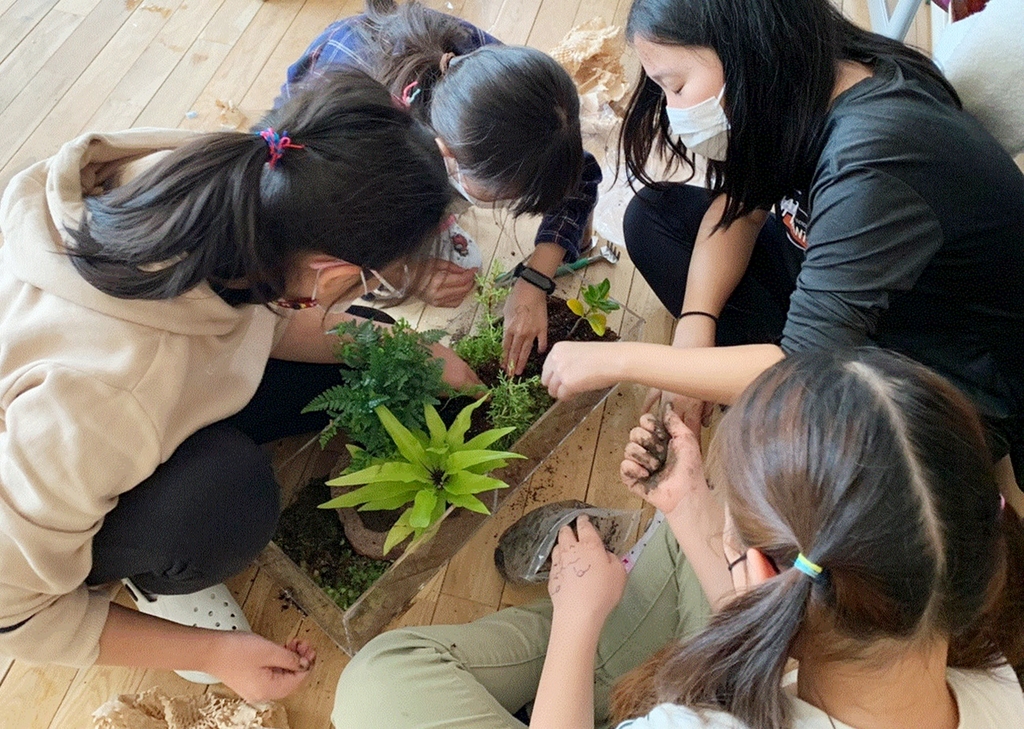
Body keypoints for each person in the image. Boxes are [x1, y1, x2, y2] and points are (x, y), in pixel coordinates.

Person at [0, 70, 476, 702]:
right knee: (229, 501)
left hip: (75, 411)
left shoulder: (241, 179)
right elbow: (15, 612)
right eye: (376, 281)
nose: (371, 297)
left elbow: (262, 324)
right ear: (329, 275)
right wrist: (217, 654)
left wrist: (404, 345)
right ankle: (149, 572)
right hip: (31, 516)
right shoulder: (107, 397)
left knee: (347, 347)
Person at [539, 0, 1024, 506]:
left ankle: (756, 397)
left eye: (676, 86)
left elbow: (802, 369)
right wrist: (694, 329)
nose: (670, 108)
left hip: (937, 373)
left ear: (747, 53)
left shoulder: (875, 159)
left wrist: (627, 362)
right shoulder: (809, 80)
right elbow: (741, 208)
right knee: (655, 219)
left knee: (803, 474)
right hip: (853, 298)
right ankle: (739, 381)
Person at [531, 348, 1024, 729]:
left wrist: (576, 616)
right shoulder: (996, 686)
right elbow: (804, 613)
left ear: (762, 572)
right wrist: (687, 503)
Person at [281, 0, 602, 374]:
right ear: (447, 157)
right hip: (316, 153)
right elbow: (332, 255)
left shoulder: (515, 96)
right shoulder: (365, 164)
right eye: (503, 197)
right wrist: (407, 276)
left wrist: (535, 278)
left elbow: (579, 176)